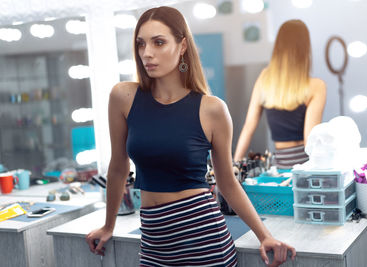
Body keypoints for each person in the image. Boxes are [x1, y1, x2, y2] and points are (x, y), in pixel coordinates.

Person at [86, 6, 296, 267]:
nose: (146, 53)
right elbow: (118, 167)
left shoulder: (212, 109)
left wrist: (265, 236)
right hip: (154, 244)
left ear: (182, 45)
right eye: (141, 44)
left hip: (205, 241)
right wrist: (109, 225)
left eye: (159, 42)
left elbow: (227, 183)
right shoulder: (123, 97)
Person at [234, 20, 326, 169]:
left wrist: (234, 166)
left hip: (279, 165)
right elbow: (311, 140)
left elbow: (248, 127)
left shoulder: (264, 78)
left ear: (278, 46)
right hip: (306, 165)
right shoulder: (317, 86)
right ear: (305, 48)